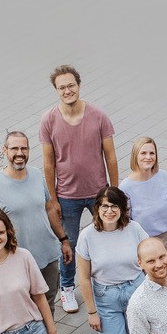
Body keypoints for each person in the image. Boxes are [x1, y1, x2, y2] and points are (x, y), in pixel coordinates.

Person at [41, 65, 118, 314]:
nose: (67, 91)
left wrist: (115, 192)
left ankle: (105, 280)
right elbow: (48, 163)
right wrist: (53, 199)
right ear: (56, 90)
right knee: (69, 243)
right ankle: (66, 287)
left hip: (98, 193)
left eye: (71, 85)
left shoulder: (98, 115)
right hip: (67, 196)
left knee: (105, 237)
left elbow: (110, 156)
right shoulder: (49, 120)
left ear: (79, 85)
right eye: (62, 87)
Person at [76, 185, 149, 334]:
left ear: (122, 209)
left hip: (135, 292)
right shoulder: (87, 236)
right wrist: (92, 311)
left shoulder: (134, 229)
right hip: (106, 299)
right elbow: (84, 278)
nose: (109, 211)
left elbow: (148, 259)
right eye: (105, 206)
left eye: (114, 206)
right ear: (97, 208)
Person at [0, 131, 65, 311]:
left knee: (49, 303)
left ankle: (49, 330)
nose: (19, 153)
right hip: (16, 263)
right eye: (14, 148)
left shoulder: (36, 174)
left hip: (48, 257)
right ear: (4, 150)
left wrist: (63, 239)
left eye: (24, 148)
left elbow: (49, 208)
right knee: (24, 309)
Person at [121, 135, 167, 265]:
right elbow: (126, 223)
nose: (148, 157)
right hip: (146, 243)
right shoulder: (125, 187)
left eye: (152, 153)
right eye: (143, 153)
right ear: (135, 156)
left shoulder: (162, 176)